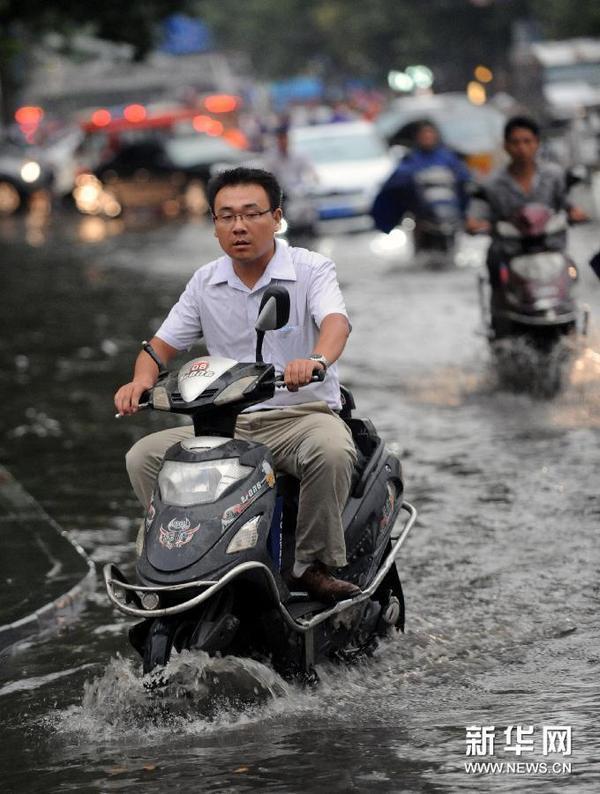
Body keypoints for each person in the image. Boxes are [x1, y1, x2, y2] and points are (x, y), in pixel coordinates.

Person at [114, 166, 360, 603]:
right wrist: (140, 380)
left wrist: (316, 359)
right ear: (214, 225)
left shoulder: (311, 269)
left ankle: (312, 565)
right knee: (143, 456)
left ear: (277, 217)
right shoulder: (205, 282)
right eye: (226, 216)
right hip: (225, 424)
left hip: (301, 416)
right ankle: (178, 558)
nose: (239, 226)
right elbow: (159, 346)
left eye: (250, 214)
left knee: (332, 451)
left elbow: (336, 323)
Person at [465, 115, 588, 288]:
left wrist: (575, 213)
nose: (521, 148)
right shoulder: (491, 184)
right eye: (515, 142)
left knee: (572, 272)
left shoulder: (554, 176)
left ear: (537, 143)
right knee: (494, 267)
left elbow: (569, 205)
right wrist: (476, 224)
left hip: (549, 247)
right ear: (506, 146)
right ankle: (498, 310)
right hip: (509, 251)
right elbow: (475, 216)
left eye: (527, 141)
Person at [371, 119, 472, 235]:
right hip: (423, 222)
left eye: (430, 133)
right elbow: (394, 187)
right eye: (424, 134)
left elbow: (465, 183)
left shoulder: (449, 158)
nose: (427, 137)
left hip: (453, 221)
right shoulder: (411, 161)